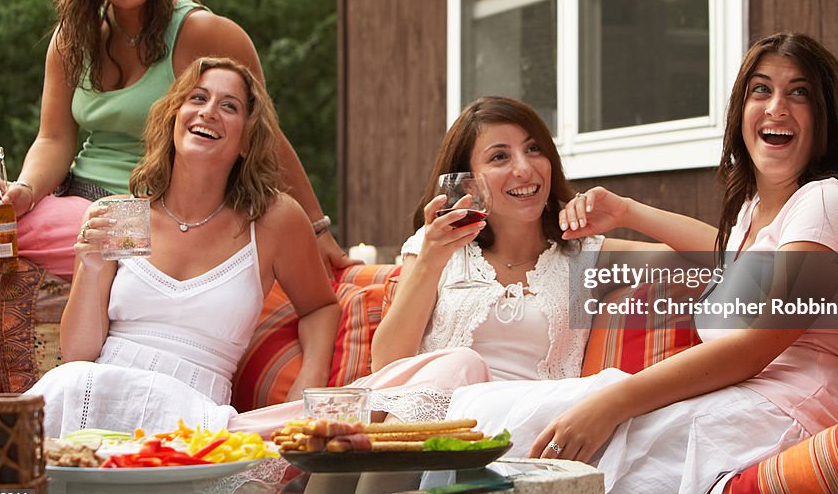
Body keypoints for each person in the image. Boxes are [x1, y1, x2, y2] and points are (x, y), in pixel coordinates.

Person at [443, 33, 838, 494]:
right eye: (761, 90)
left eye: (799, 92)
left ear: (825, 115)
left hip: (782, 414)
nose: (777, 108)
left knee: (568, 451)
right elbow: (724, 255)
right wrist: (625, 210)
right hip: (740, 401)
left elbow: (753, 347)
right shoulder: (756, 213)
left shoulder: (826, 201)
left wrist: (617, 400)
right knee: (486, 417)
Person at [0, 0, 352, 280]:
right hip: (73, 198)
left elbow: (264, 136)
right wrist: (24, 191)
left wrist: (315, 229)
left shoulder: (203, 34)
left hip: (151, 220)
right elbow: (54, 139)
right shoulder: (72, 39)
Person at [229, 95, 665, 435]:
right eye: (499, 157)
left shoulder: (584, 255)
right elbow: (389, 360)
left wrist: (627, 210)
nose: (525, 168)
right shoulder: (439, 246)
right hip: (426, 425)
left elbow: (727, 261)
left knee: (460, 364)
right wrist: (433, 258)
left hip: (525, 424)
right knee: (457, 364)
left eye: (534, 149)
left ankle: (275, 434)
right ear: (466, 180)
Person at [28, 58, 340, 437]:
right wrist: (92, 266)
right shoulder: (120, 215)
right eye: (198, 97)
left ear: (246, 140)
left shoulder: (273, 220)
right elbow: (78, 353)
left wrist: (305, 391)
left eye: (229, 106)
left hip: (192, 417)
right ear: (174, 117)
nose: (209, 112)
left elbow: (320, 307)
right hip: (93, 395)